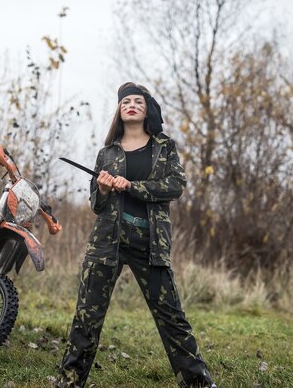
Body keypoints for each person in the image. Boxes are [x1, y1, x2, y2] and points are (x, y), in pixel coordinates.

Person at [58, 82, 216, 388]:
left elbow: (176, 186)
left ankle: (199, 383)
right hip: (106, 243)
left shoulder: (164, 147)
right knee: (87, 317)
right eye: (125, 101)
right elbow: (96, 204)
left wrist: (132, 186)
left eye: (138, 101)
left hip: (150, 243)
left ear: (147, 110)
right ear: (119, 110)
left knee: (172, 317)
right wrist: (103, 189)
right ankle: (69, 381)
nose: (131, 104)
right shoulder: (107, 153)